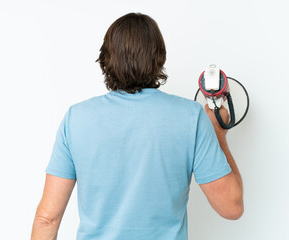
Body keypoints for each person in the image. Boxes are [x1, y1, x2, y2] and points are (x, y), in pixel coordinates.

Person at [31, 12, 243, 240]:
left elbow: (47, 219)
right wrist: (218, 134)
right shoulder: (191, 117)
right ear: (158, 58)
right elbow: (231, 207)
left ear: (106, 58)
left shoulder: (76, 118)